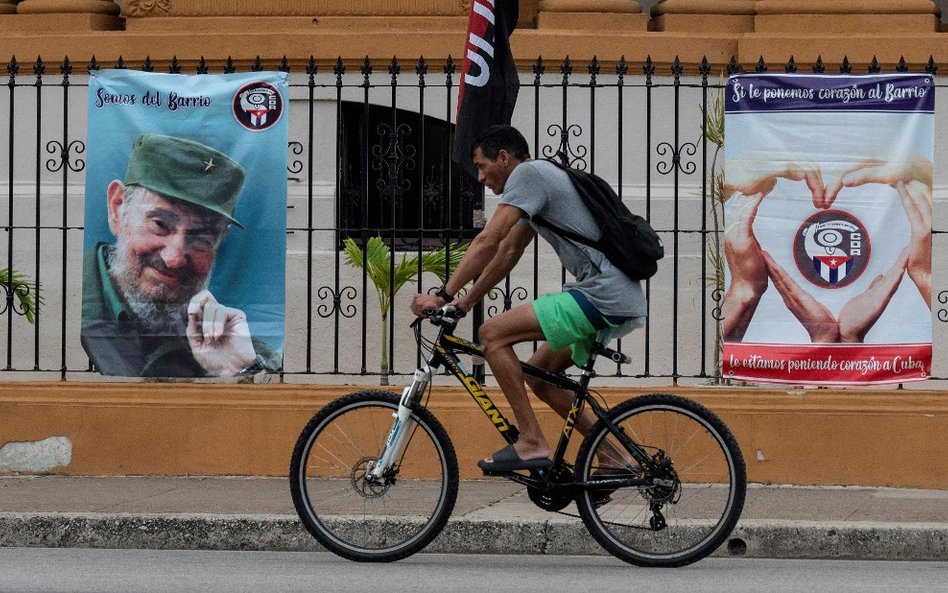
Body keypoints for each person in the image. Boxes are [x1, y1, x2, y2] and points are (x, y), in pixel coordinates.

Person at [410, 125, 646, 472]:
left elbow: (488, 240)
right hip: (612, 295)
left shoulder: (528, 174)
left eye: (481, 165)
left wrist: (443, 294)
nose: (480, 177)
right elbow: (508, 250)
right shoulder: (539, 184)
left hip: (602, 294)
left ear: (503, 158)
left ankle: (531, 441)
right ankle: (614, 457)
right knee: (538, 376)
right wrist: (465, 302)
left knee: (491, 335)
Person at [81, 133, 281, 377]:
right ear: (117, 207)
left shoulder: (237, 346)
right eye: (160, 224)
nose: (174, 258)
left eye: (201, 237)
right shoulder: (66, 305)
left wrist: (238, 369)